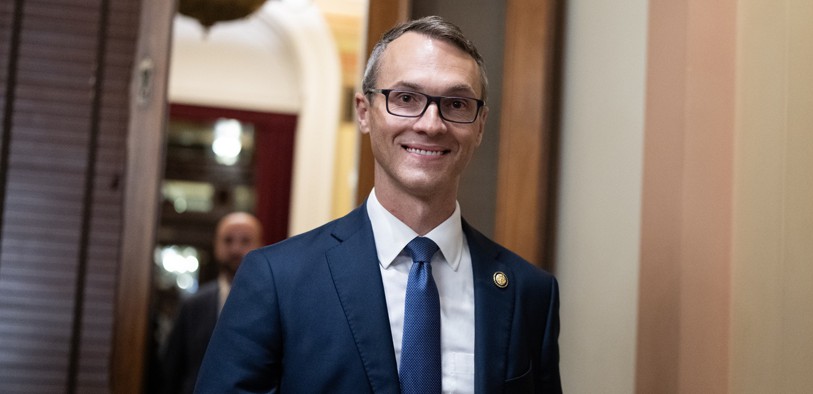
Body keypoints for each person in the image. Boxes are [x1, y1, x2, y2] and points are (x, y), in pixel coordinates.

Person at [195, 16, 561, 393]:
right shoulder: (277, 279)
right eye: (406, 98)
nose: (431, 124)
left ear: (480, 125)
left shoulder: (530, 293)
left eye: (456, 104)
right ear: (364, 112)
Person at [160, 212, 264, 394]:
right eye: (228, 240)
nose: (235, 249)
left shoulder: (273, 304)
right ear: (216, 245)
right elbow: (171, 373)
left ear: (261, 246)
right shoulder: (192, 305)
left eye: (245, 241)